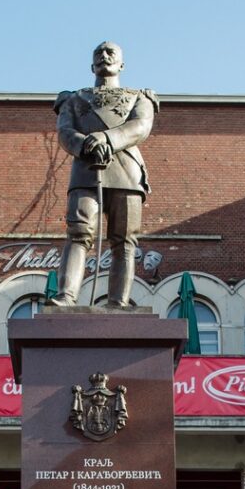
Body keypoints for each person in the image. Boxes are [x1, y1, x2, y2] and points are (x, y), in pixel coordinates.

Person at [51, 41, 157, 307]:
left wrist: (106, 139)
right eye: (99, 53)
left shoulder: (139, 96)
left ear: (121, 64)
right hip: (86, 171)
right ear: (91, 65)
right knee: (78, 232)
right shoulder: (73, 99)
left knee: (124, 240)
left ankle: (118, 302)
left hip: (126, 171)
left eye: (111, 52)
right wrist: (85, 144)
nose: (104, 56)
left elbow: (140, 126)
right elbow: (65, 132)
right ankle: (66, 296)